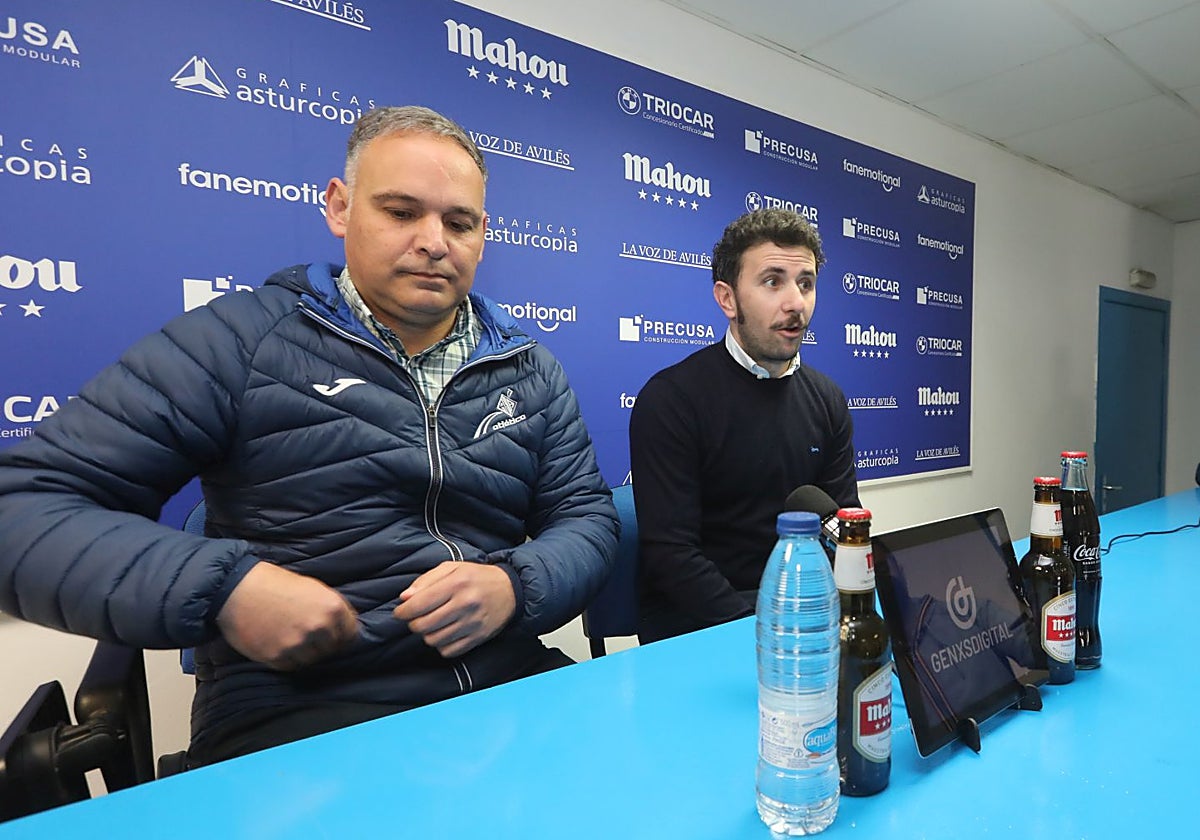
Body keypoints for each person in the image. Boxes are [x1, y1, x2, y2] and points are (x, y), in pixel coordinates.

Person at [0, 106, 617, 765]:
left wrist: (517, 585)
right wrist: (223, 588)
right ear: (340, 208)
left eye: (458, 222)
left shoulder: (530, 367)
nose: (434, 241)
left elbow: (586, 519)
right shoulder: (238, 341)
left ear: (483, 234)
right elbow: (22, 513)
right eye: (402, 212)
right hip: (302, 710)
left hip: (504, 685)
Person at [629, 208, 858, 643]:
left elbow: (841, 531)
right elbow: (673, 556)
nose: (795, 302)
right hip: (701, 630)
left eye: (805, 284)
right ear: (727, 298)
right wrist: (759, 633)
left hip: (801, 620)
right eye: (773, 281)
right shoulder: (671, 400)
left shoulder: (828, 400)